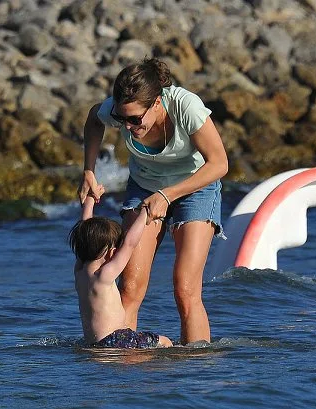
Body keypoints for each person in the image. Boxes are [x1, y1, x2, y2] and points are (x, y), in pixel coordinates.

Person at [78, 57, 228, 345]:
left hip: (196, 187)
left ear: (157, 103)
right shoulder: (118, 111)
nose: (129, 127)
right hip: (144, 186)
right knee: (130, 286)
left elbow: (219, 164)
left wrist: (167, 195)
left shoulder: (186, 107)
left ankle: (195, 369)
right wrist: (88, 171)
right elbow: (94, 119)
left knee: (185, 288)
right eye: (123, 120)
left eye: (136, 119)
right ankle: (122, 366)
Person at [69, 187, 172, 348]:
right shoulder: (104, 274)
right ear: (112, 252)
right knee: (165, 342)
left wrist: (89, 202)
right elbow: (130, 243)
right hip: (116, 339)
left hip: (94, 344)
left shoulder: (80, 271)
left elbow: (83, 231)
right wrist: (146, 213)